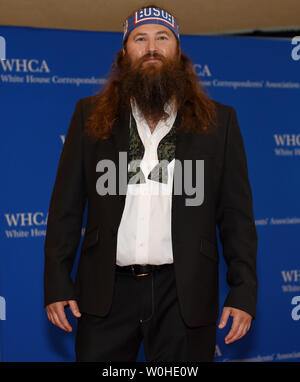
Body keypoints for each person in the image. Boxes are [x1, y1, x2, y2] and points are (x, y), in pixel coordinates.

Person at [44, 4, 258, 362]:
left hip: (184, 294)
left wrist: (244, 291)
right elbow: (65, 208)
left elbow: (236, 216)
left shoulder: (220, 123)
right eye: (140, 39)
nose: (151, 47)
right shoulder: (89, 116)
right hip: (105, 295)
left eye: (163, 37)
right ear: (124, 53)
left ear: (178, 52)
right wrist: (56, 282)